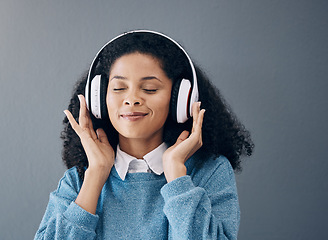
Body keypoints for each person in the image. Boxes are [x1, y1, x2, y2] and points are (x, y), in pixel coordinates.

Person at [34, 30, 254, 240]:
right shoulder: (79, 179)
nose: (132, 99)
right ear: (99, 98)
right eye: (119, 88)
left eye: (149, 89)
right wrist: (96, 176)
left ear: (181, 99)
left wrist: (177, 177)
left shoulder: (209, 171)